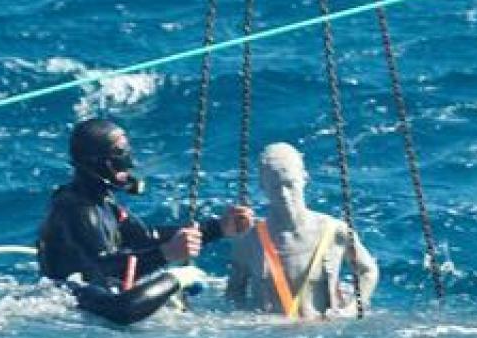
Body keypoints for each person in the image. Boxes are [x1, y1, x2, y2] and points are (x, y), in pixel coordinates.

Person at [38, 118, 253, 325]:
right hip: (77, 304)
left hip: (99, 296)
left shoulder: (103, 201)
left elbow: (145, 238)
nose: (129, 164)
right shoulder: (76, 209)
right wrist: (169, 260)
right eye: (119, 155)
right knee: (126, 308)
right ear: (96, 162)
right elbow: (103, 270)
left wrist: (219, 228)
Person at [227, 143, 378, 320]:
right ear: (262, 185)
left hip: (323, 334)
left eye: (289, 184)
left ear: (305, 178)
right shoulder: (249, 241)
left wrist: (352, 308)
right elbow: (234, 295)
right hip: (270, 337)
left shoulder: (335, 231)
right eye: (275, 187)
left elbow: (368, 271)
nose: (284, 194)